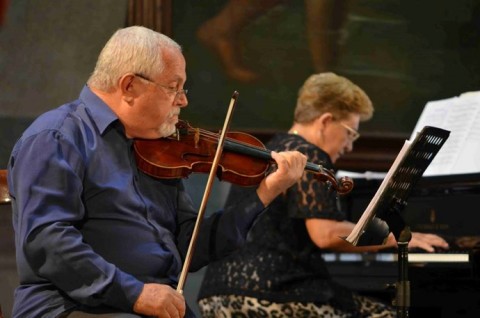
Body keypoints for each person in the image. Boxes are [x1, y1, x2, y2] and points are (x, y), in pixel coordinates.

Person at [6, 26, 308, 318]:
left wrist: (267, 191)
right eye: (173, 87)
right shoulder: (57, 137)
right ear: (129, 86)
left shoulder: (158, 149)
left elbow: (190, 246)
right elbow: (47, 240)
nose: (183, 100)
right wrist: (135, 294)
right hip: (76, 308)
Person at [197, 72, 450, 317]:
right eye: (350, 133)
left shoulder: (276, 147)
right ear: (326, 120)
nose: (350, 145)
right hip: (271, 294)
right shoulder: (308, 156)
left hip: (220, 293)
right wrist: (393, 237)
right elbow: (325, 234)